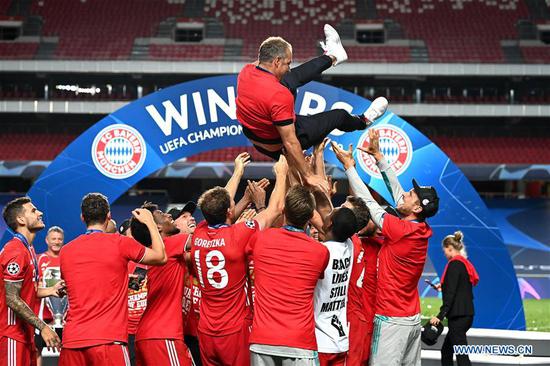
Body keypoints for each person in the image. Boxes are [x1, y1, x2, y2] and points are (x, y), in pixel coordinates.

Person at [331, 128, 439, 366]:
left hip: (392, 320)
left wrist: (349, 166)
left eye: (412, 195)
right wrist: (379, 157)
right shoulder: (418, 229)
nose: (405, 195)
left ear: (418, 208)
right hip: (409, 319)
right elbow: (398, 194)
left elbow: (368, 202)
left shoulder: (401, 231)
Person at [236, 25, 388, 192]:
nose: (289, 66)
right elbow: (290, 142)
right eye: (287, 63)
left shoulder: (247, 71)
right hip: (278, 143)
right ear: (276, 61)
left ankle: (334, 56)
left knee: (291, 77)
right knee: (339, 115)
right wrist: (309, 175)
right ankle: (363, 120)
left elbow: (271, 60)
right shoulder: (279, 95)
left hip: (257, 132)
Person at [191, 154, 288, 366]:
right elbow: (274, 210)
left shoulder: (199, 233)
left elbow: (222, 204)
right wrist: (281, 174)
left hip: (206, 330)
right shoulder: (238, 235)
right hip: (233, 329)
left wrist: (238, 175)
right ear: (229, 211)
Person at [59, 193, 167, 366]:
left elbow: (77, 282)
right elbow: (160, 257)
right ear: (109, 216)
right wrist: (150, 223)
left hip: (72, 341)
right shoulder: (120, 243)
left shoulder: (66, 251)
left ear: (82, 217)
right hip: (108, 340)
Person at [247, 185, 330, 366]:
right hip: (299, 341)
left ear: (284, 210)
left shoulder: (260, 239)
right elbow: (327, 231)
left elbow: (265, 224)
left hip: (262, 339)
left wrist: (263, 207)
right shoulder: (320, 252)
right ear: (310, 217)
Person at [0, 197, 63, 366]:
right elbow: (12, 298)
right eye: (33, 211)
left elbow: (26, 291)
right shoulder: (16, 251)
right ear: (21, 219)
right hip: (11, 334)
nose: (40, 212)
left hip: (25, 334)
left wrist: (50, 291)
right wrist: (43, 327)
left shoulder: (28, 249)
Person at [132, 202, 193, 366]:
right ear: (157, 228)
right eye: (162, 214)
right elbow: (211, 237)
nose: (169, 215)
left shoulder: (149, 253)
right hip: (163, 335)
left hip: (146, 335)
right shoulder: (169, 244)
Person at [314, 208, 357, 366]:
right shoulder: (349, 247)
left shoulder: (320, 252)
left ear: (330, 223)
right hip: (340, 341)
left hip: (320, 341)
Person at [430, 231, 479, 366]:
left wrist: (439, 316)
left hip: (458, 316)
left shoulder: (454, 265)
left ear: (450, 248)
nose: (444, 253)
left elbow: (451, 294)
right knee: (447, 351)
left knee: (460, 354)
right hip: (466, 314)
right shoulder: (464, 264)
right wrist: (443, 287)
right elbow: (460, 289)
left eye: (444, 250)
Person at [35, 226, 65, 365]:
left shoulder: (67, 260)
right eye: (53, 239)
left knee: (66, 353)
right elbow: (31, 287)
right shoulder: (38, 259)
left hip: (67, 319)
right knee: (37, 351)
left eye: (59, 239)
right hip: (42, 317)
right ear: (47, 240)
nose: (56, 242)